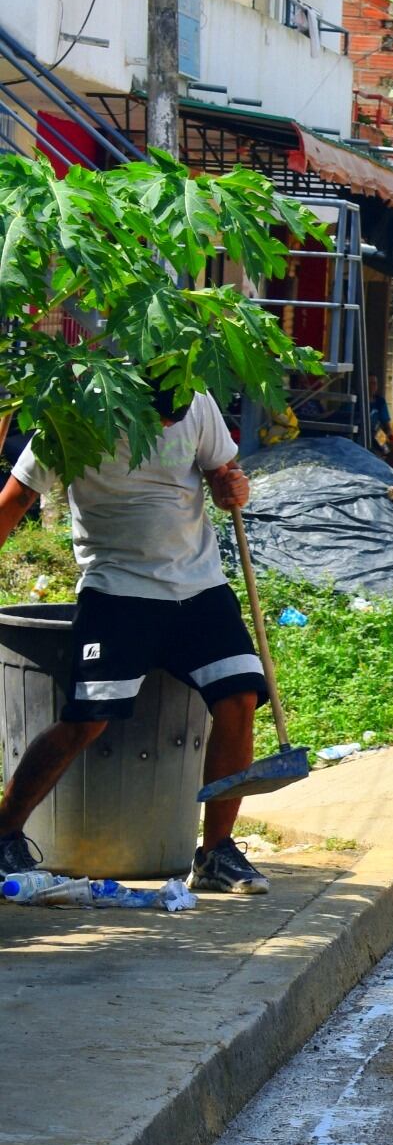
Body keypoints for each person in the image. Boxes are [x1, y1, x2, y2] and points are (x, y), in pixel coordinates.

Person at [0, 384, 276, 895]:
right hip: (117, 590)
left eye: (178, 416)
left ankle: (216, 852)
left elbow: (221, 473)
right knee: (87, 720)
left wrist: (230, 487)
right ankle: (4, 832)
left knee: (240, 695)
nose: (170, 425)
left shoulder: (198, 401)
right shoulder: (75, 413)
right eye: (160, 416)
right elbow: (16, 499)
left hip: (199, 587)